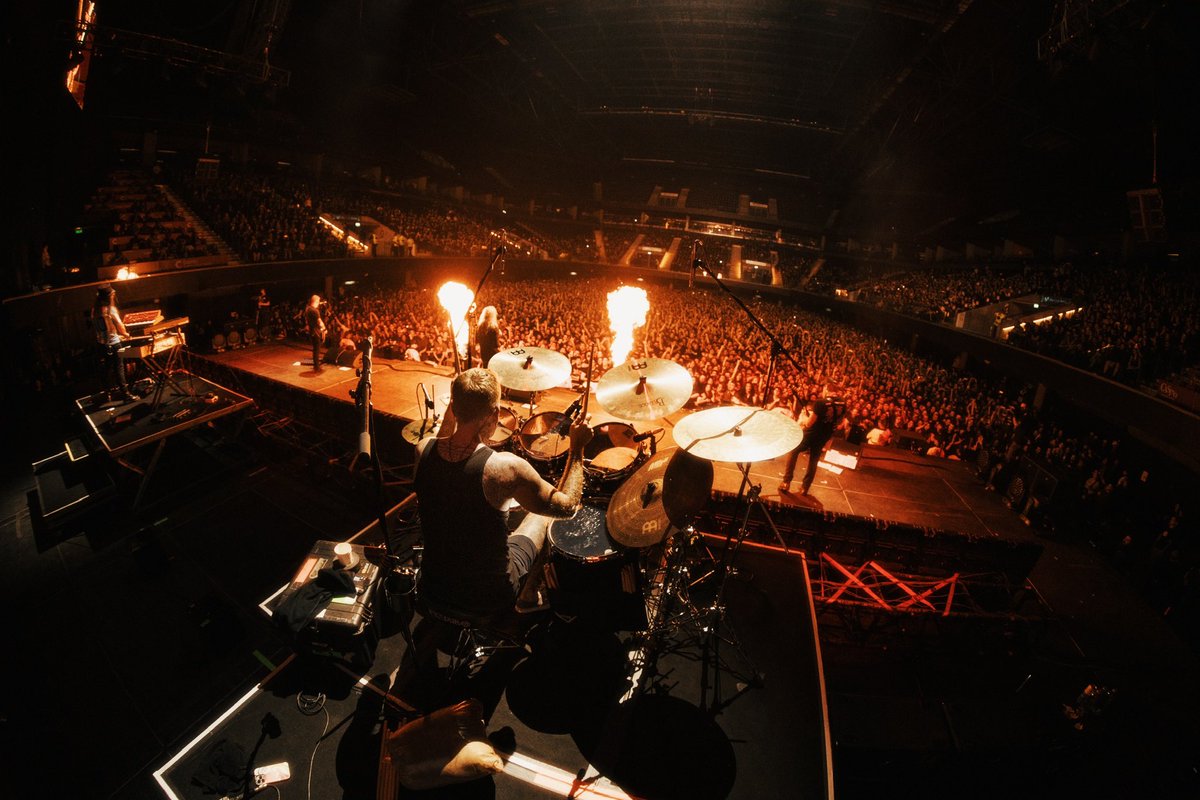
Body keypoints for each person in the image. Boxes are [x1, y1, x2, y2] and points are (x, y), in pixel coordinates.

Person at [413, 367, 592, 620]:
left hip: (433, 586)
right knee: (542, 517)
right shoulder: (504, 468)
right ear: (495, 413)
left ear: (452, 408)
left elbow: (444, 442)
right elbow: (568, 507)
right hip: (488, 597)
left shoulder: (422, 451)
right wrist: (577, 448)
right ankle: (528, 596)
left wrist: (458, 403)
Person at [780, 386, 841, 496]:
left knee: (793, 451)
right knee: (814, 460)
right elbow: (835, 422)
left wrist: (804, 416)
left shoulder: (820, 402)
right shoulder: (842, 403)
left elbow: (808, 423)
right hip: (824, 436)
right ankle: (805, 488)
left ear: (827, 388)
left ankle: (786, 482)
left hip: (811, 434)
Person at [91, 285, 133, 402]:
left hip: (101, 345)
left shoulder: (94, 310)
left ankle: (107, 393)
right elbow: (120, 326)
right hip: (114, 344)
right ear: (110, 296)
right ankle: (126, 394)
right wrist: (126, 335)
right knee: (119, 368)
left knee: (106, 369)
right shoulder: (111, 309)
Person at [305, 294, 326, 372]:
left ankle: (315, 365)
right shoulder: (315, 311)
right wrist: (324, 329)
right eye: (318, 301)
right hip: (316, 332)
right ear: (316, 301)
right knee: (317, 349)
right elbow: (319, 321)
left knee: (315, 349)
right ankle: (317, 367)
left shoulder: (307, 309)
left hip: (311, 331)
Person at [475, 305, 500, 369]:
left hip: (483, 353)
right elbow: (496, 345)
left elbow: (477, 340)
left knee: (486, 370)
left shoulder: (479, 327)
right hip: (492, 355)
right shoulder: (493, 328)